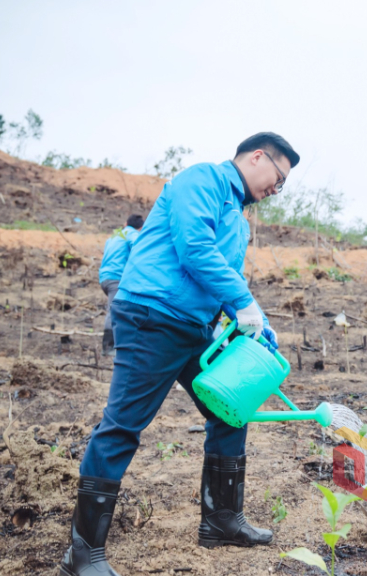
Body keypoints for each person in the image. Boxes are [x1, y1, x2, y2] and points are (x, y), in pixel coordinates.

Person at [60, 132, 298, 576]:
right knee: (123, 425)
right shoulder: (203, 180)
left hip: (195, 326)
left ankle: (222, 520)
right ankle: (82, 554)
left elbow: (227, 276)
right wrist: (244, 302)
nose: (276, 190)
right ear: (257, 156)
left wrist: (259, 321)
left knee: (232, 409)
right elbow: (194, 248)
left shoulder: (240, 219)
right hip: (153, 314)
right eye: (278, 179)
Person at [98, 214, 144, 355]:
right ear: (140, 228)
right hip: (116, 278)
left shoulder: (114, 237)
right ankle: (107, 348)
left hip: (104, 278)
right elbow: (139, 245)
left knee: (123, 309)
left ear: (125, 223)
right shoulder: (132, 234)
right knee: (114, 311)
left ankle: (119, 344)